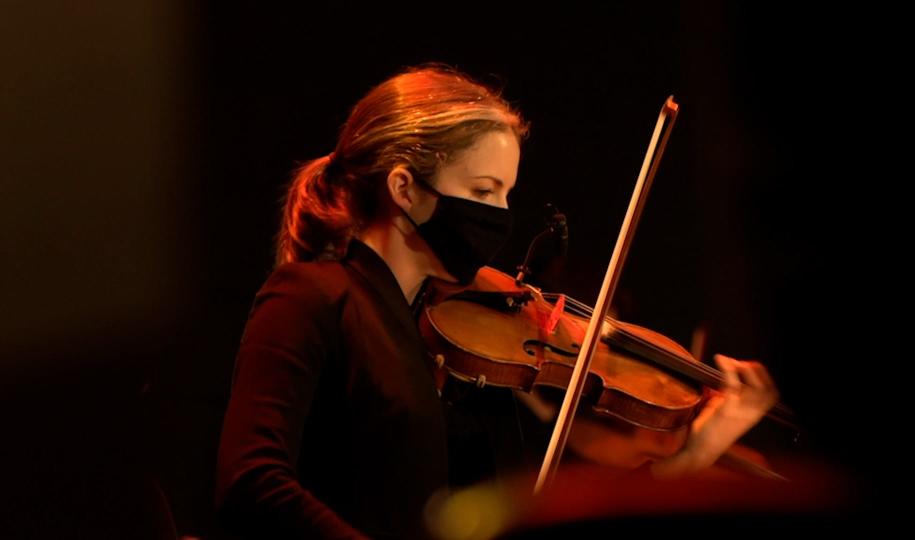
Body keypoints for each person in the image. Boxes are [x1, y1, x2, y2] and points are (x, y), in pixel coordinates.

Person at [215, 64, 779, 540]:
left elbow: (550, 499)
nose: (501, 215)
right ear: (404, 188)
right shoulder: (312, 296)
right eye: (484, 191)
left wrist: (694, 453)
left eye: (507, 193)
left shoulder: (455, 345)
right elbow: (253, 482)